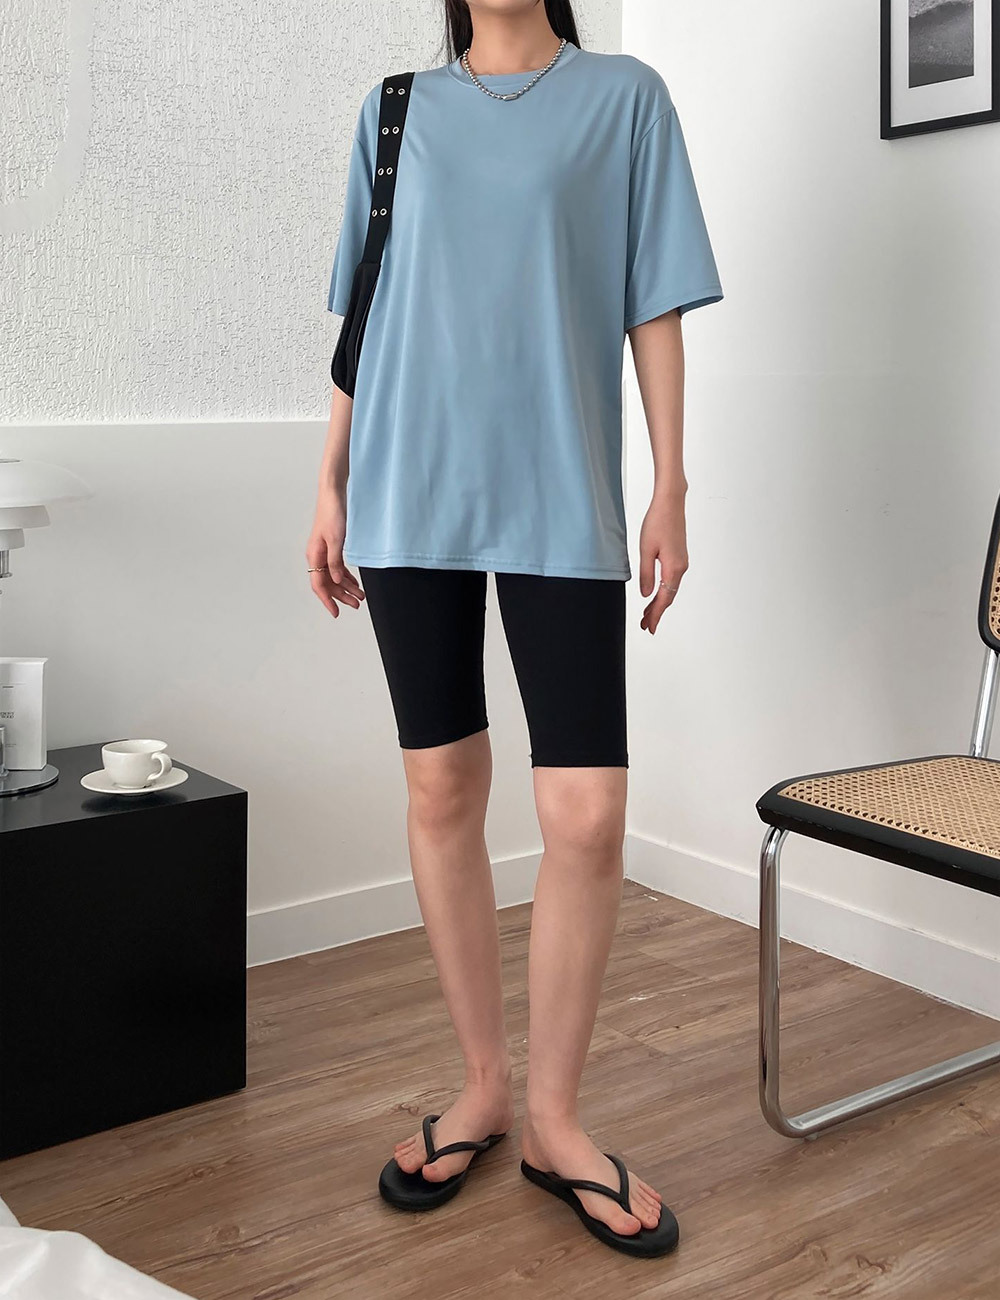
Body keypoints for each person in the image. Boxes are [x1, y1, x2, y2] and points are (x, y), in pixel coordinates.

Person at [307, 0, 722, 1260]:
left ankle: (554, 1118)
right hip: (404, 489)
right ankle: (485, 1087)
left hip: (559, 487)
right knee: (443, 786)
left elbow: (654, 302)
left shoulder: (626, 100)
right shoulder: (394, 112)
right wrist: (327, 481)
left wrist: (669, 481)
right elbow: (368, 313)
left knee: (584, 812)